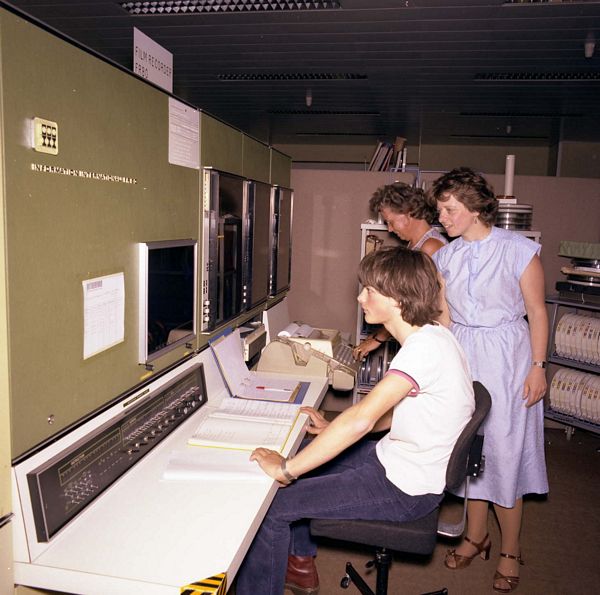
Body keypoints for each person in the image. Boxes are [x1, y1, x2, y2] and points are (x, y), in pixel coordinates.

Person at [234, 247, 475, 595]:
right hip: (396, 462)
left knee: (271, 505)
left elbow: (363, 419)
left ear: (398, 299)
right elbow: (392, 413)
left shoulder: (423, 351)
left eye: (370, 290)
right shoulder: (435, 334)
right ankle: (299, 565)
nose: (360, 297)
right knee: (309, 451)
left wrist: (286, 470)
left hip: (403, 488)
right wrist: (331, 430)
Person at [429, 167, 549, 594]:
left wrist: (539, 366)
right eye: (440, 209)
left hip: (509, 359)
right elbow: (443, 317)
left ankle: (510, 550)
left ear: (477, 208)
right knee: (470, 450)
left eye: (449, 209)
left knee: (504, 453)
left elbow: (536, 311)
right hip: (464, 355)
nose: (441, 217)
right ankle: (475, 536)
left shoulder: (520, 251)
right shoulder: (445, 256)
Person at [353, 182, 447, 361]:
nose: (389, 229)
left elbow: (412, 306)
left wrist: (378, 338)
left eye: (390, 222)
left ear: (409, 212)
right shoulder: (415, 245)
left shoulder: (430, 248)